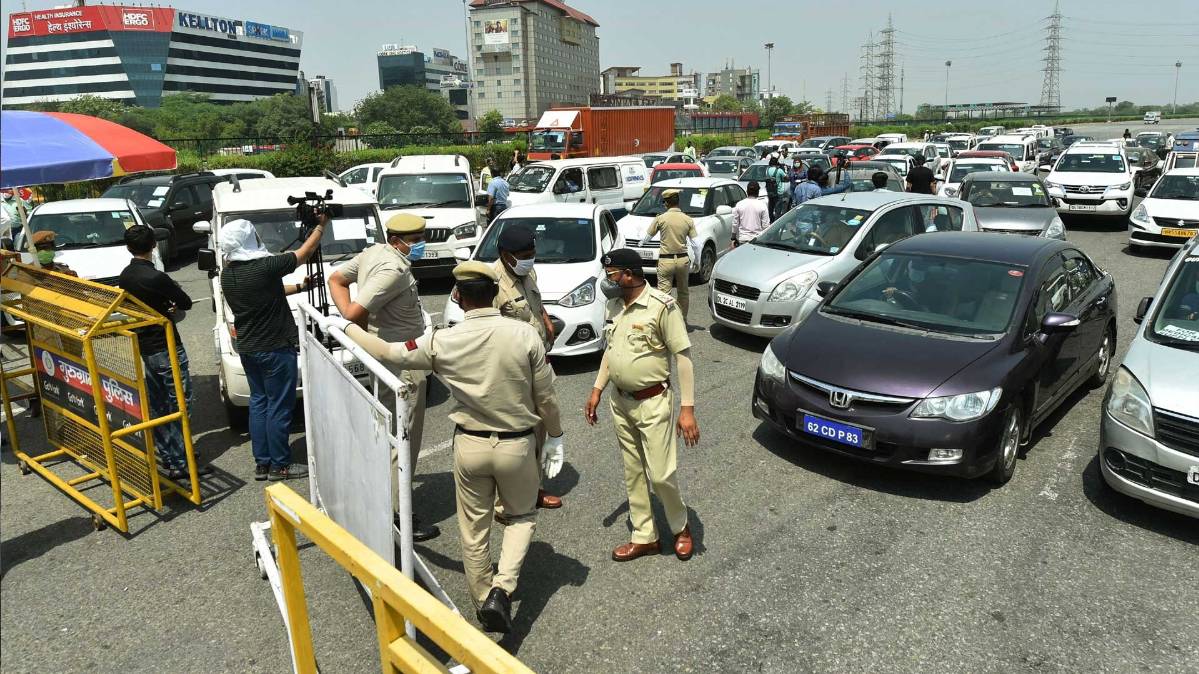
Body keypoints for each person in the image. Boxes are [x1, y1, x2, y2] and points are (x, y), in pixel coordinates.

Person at [332, 261, 564, 635]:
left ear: (457, 295)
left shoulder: (442, 340)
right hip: (517, 444)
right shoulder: (524, 335)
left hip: (470, 444)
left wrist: (346, 327)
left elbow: (391, 352)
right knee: (521, 517)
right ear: (495, 294)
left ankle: (483, 599)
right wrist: (554, 435)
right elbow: (547, 397)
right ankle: (503, 590)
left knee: (474, 530)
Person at [327, 212, 439, 542]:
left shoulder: (374, 252)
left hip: (389, 358)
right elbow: (352, 311)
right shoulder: (392, 269)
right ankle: (397, 516)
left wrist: (362, 336)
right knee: (402, 441)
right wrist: (355, 328)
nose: (420, 245)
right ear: (397, 240)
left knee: (386, 434)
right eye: (416, 240)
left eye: (422, 238)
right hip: (402, 364)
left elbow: (336, 280)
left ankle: (385, 502)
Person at [584, 248, 698, 563]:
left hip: (653, 402)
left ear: (630, 275)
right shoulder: (614, 305)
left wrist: (687, 409)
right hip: (620, 402)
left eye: (611, 276)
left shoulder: (663, 306)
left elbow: (683, 357)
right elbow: (612, 349)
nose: (607, 282)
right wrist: (597, 387)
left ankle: (680, 527)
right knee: (633, 471)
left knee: (661, 475)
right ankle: (645, 536)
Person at [219, 216, 324, 481]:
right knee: (279, 406)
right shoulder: (265, 266)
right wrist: (322, 225)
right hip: (275, 348)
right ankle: (281, 465)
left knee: (259, 403)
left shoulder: (228, 273)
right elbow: (303, 253)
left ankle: (263, 462)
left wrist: (301, 286)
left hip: (249, 347)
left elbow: (269, 291)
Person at [118, 225, 207, 480]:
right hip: (166, 344)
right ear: (154, 245)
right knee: (181, 402)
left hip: (146, 346)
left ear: (128, 248)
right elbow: (186, 303)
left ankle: (170, 453)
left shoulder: (125, 276)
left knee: (159, 403)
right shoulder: (156, 277)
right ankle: (180, 460)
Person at [493, 224, 563, 510]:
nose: (530, 258)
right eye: (524, 254)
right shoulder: (492, 282)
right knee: (512, 436)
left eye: (532, 253)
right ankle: (505, 501)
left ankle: (534, 488)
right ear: (506, 255)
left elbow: (534, 302)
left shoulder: (526, 271)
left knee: (538, 428)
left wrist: (545, 317)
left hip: (538, 362)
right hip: (511, 371)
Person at [643, 189, 697, 321]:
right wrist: (697, 260)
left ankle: (666, 322)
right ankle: (682, 320)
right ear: (678, 202)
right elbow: (696, 243)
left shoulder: (660, 218)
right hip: (682, 259)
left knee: (664, 294)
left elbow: (647, 238)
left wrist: (641, 244)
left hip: (666, 260)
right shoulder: (688, 219)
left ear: (666, 203)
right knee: (683, 292)